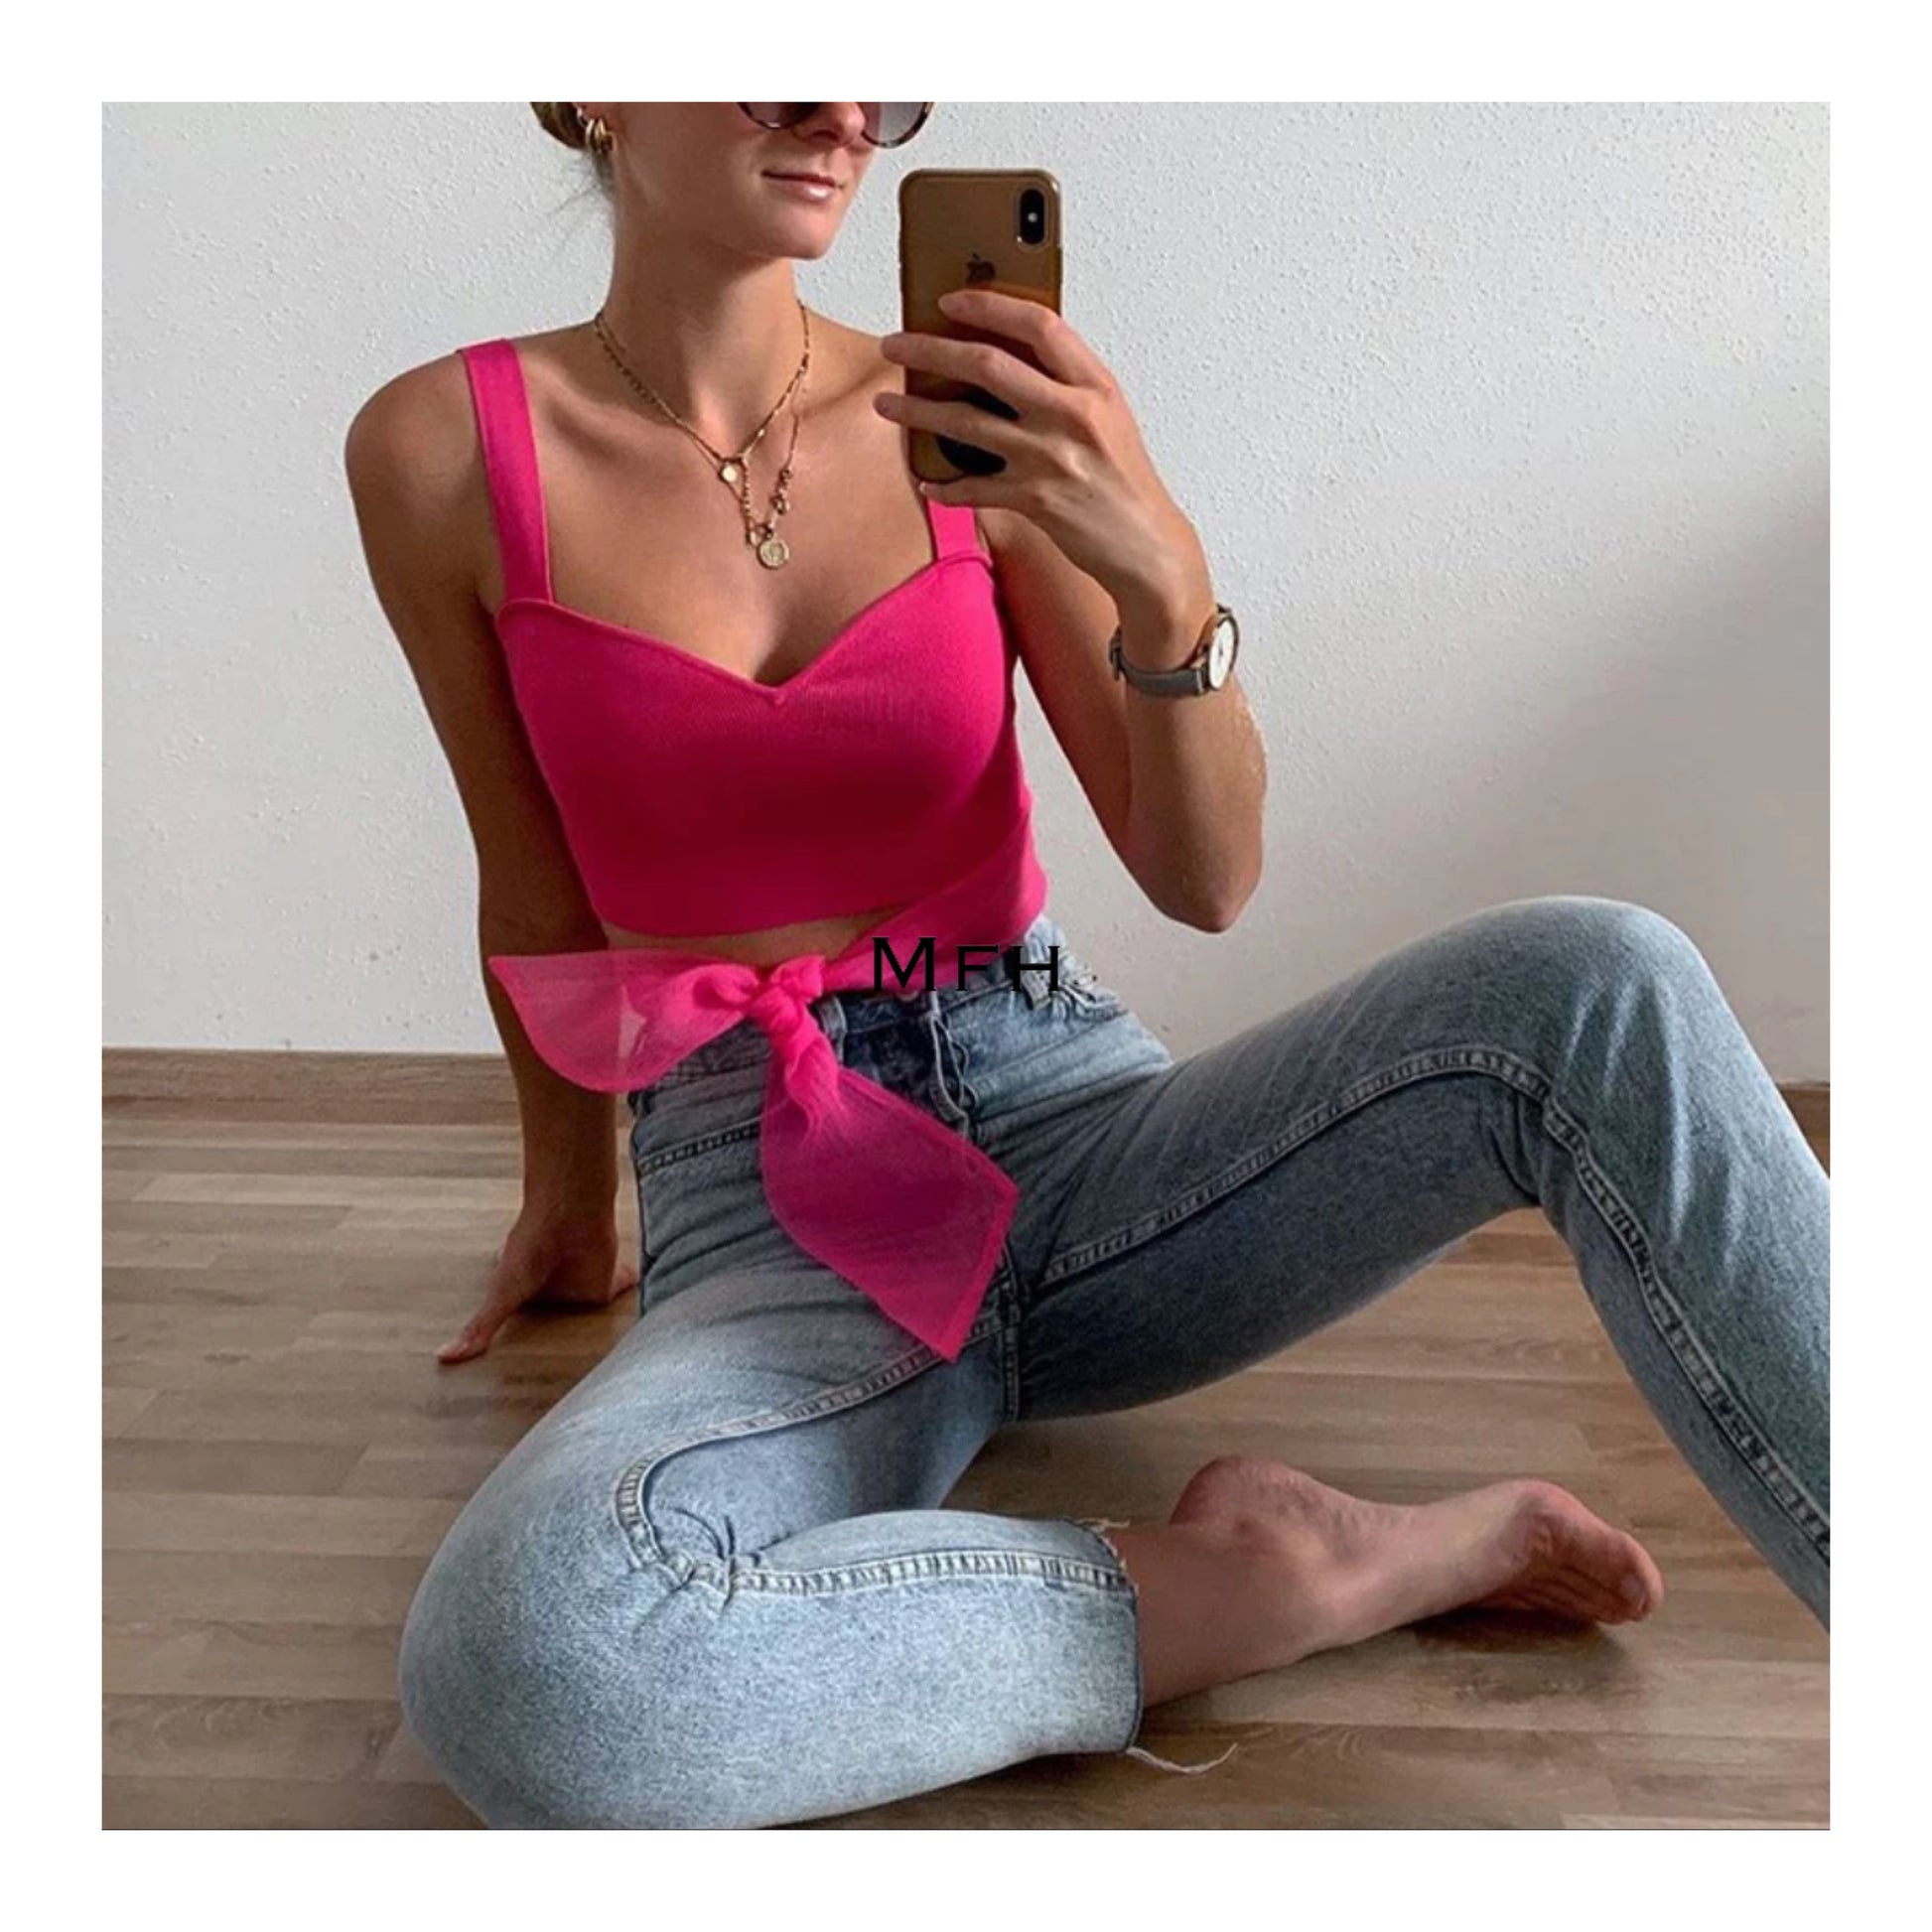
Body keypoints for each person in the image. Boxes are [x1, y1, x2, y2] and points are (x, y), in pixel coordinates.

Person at [342, 103, 1829, 1831]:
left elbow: (1206, 880)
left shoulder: (973, 407)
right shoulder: (441, 450)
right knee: (529, 1659)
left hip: (1080, 1139)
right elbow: (530, 889)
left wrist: (1159, 579)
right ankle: (1277, 1577)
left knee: (1599, 980)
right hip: (773, 1221)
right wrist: (567, 1208)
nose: (842, 112)